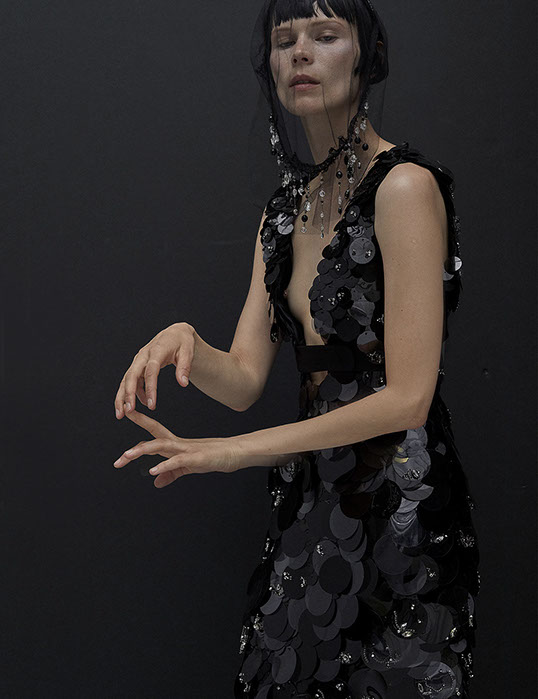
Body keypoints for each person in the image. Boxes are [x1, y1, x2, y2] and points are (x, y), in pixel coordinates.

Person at [113, 1, 480, 696]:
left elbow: (408, 398)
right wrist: (187, 340)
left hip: (401, 503)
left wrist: (233, 452)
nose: (300, 53)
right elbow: (245, 378)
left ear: (367, 56)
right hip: (310, 499)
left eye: (325, 34)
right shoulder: (283, 212)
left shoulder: (404, 186)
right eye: (284, 41)